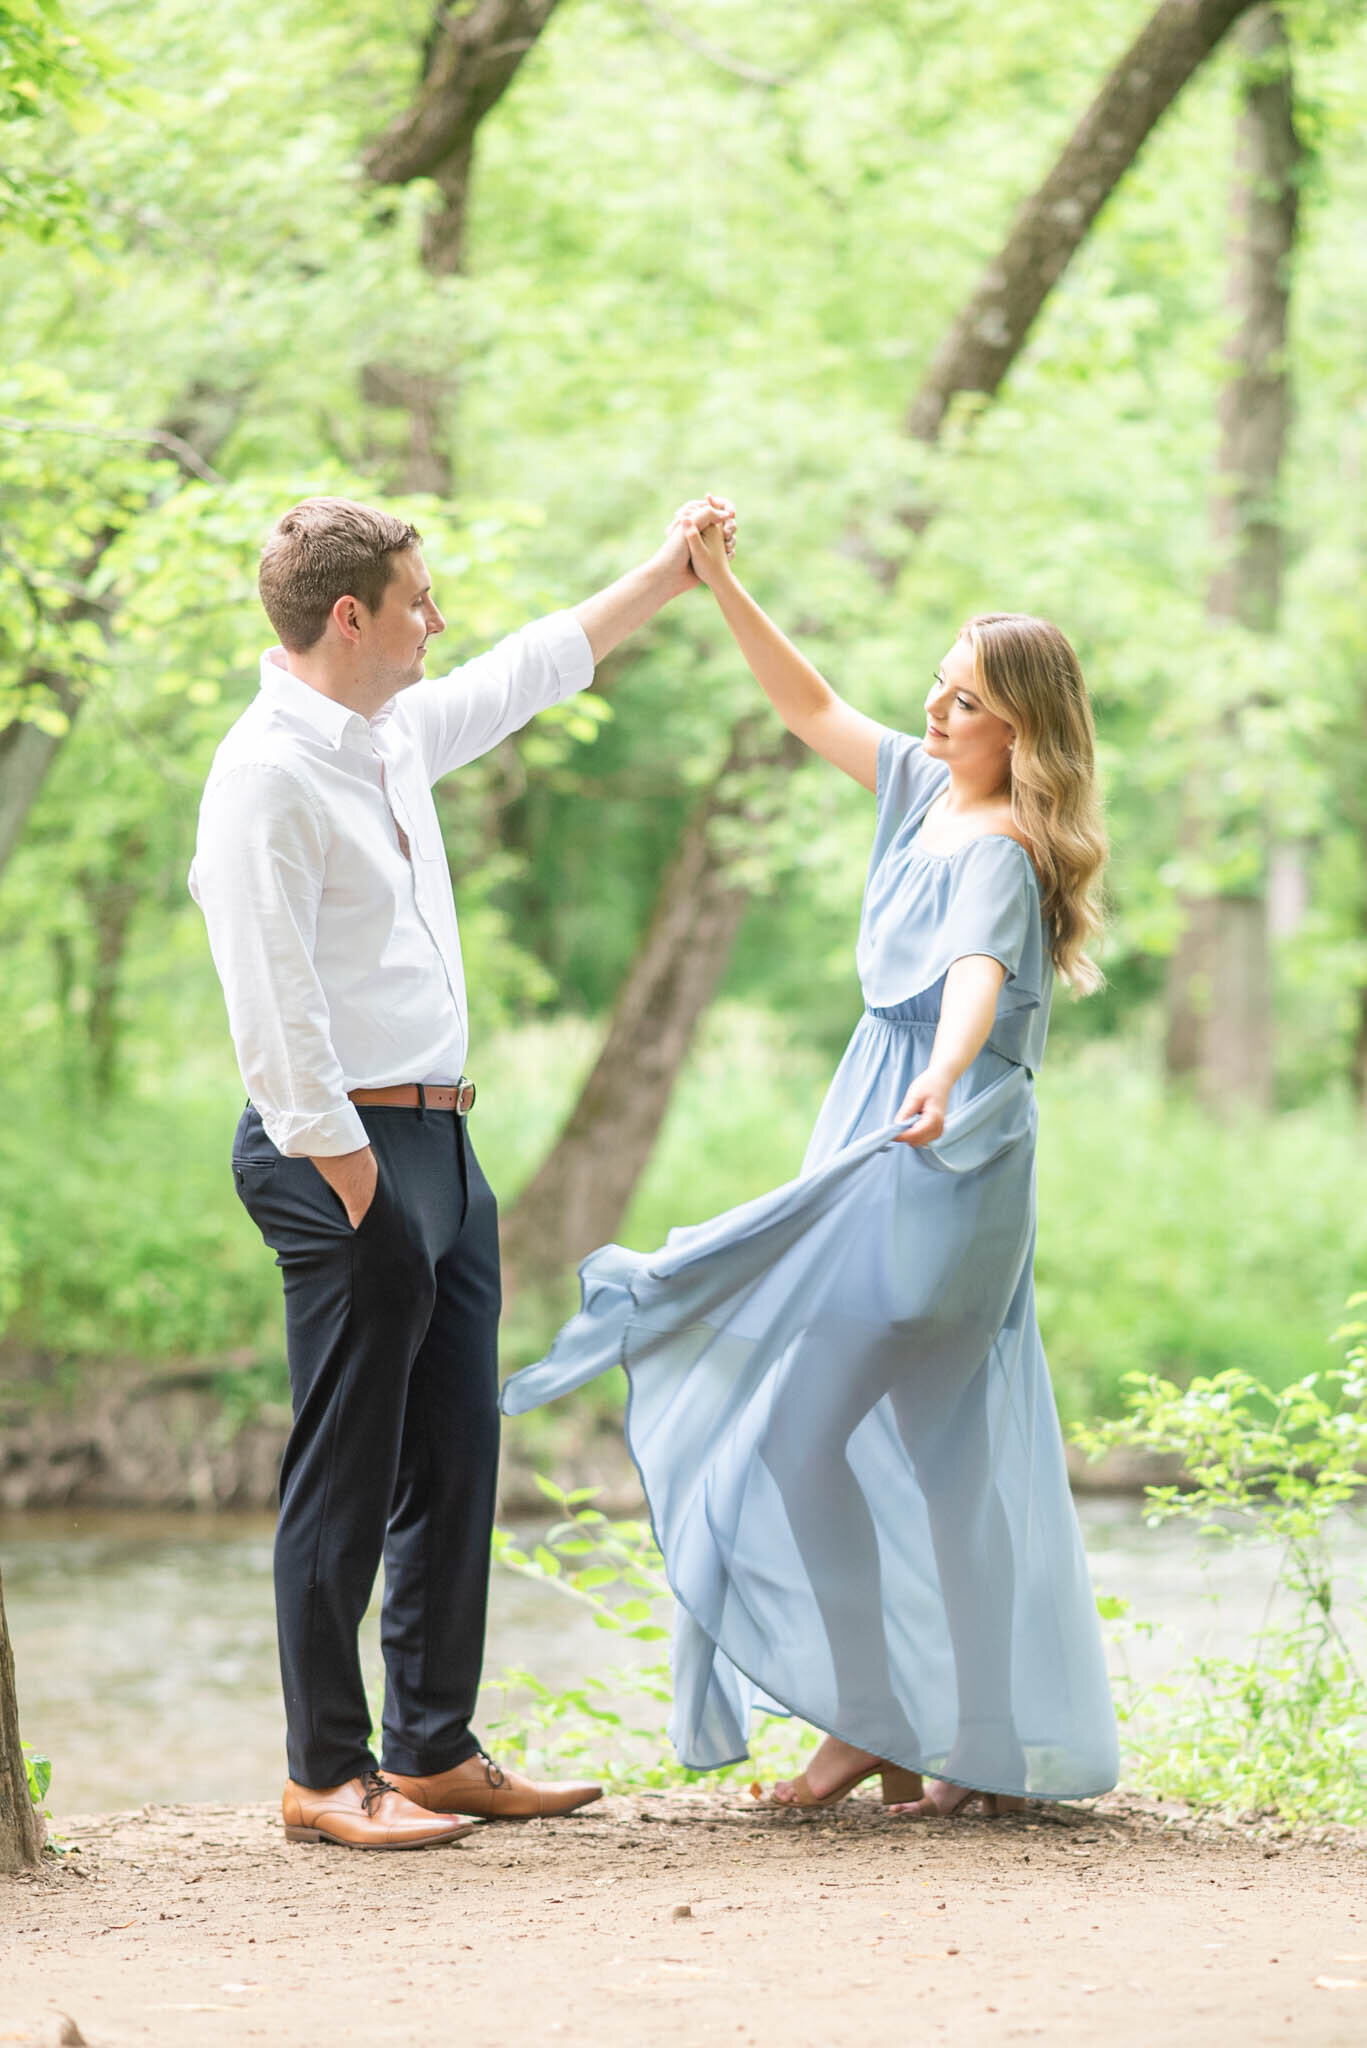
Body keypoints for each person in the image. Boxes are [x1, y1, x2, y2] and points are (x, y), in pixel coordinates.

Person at [501, 516, 1119, 1817]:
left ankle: (893, 1726)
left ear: (1022, 732)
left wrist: (943, 1075)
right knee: (908, 1447)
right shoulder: (920, 789)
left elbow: (975, 976)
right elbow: (808, 700)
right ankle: (941, 1737)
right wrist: (720, 584)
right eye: (944, 685)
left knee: (809, 1442)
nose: (938, 707)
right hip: (883, 1137)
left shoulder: (1002, 848)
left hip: (941, 1151)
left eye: (968, 700)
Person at [190, 491, 735, 1850]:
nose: (440, 621)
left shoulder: (390, 736)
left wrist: (667, 575)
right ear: (349, 615)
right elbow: (272, 1008)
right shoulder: (265, 772)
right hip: (346, 1154)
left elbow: (531, 670)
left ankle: (431, 1748)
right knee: (347, 1467)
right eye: (418, 599)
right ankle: (326, 1773)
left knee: (454, 1448)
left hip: (443, 1140)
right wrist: (353, 1177)